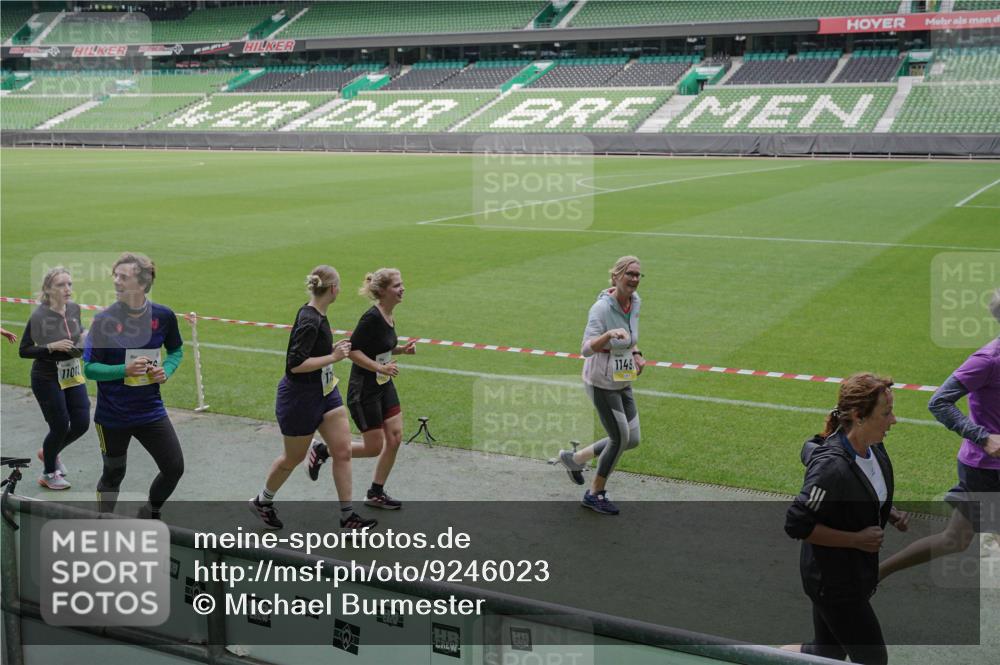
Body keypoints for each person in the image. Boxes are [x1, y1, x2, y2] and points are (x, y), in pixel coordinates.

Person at [784, 373, 911, 665]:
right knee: (873, 660)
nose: (894, 420)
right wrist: (856, 539)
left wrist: (886, 512)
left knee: (826, 652)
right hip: (834, 583)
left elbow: (863, 488)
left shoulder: (873, 446)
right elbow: (796, 524)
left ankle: (769, 657)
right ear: (858, 416)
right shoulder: (832, 468)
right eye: (887, 413)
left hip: (852, 574)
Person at [879, 289, 1000, 576]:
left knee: (954, 540)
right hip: (987, 470)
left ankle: (875, 573)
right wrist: (983, 436)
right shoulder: (987, 360)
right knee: (967, 540)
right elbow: (939, 401)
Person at [249, 266, 377, 531]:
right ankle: (263, 501)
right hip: (299, 400)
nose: (339, 290)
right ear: (332, 289)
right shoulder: (310, 320)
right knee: (291, 459)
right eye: (339, 286)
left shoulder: (317, 313)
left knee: (342, 451)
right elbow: (295, 364)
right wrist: (333, 357)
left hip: (326, 393)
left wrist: (331, 350)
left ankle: (348, 517)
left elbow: (310, 353)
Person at [83, 252, 184, 519]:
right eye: (115, 275)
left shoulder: (163, 316)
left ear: (141, 284)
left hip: (150, 411)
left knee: (174, 468)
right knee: (114, 473)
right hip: (112, 415)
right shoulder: (104, 320)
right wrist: (123, 370)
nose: (116, 281)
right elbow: (90, 368)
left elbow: (176, 351)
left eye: (123, 277)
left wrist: (167, 371)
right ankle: (103, 521)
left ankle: (150, 510)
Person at [308, 268, 416, 510]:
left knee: (396, 436)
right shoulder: (371, 318)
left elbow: (380, 347)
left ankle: (375, 492)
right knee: (373, 447)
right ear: (383, 291)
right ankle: (323, 450)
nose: (402, 288)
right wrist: (380, 366)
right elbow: (353, 351)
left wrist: (400, 351)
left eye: (402, 283)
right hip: (364, 390)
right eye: (397, 285)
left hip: (382, 383)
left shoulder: (389, 314)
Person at [556, 255, 645, 515]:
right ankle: (595, 493)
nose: (635, 279)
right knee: (620, 438)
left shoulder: (635, 302)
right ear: (616, 276)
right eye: (630, 274)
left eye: (638, 275)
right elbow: (585, 349)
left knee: (633, 439)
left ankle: (574, 459)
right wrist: (607, 335)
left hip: (623, 376)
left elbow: (631, 337)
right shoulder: (601, 309)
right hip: (601, 381)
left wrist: (637, 353)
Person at [18, 267, 90, 490]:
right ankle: (49, 473)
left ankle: (50, 451)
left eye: (69, 284)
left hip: (72, 373)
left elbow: (77, 335)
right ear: (49, 289)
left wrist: (85, 336)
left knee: (81, 423)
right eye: (61, 285)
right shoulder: (39, 316)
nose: (67, 289)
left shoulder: (75, 309)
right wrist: (50, 346)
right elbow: (24, 350)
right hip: (46, 377)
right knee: (59, 426)